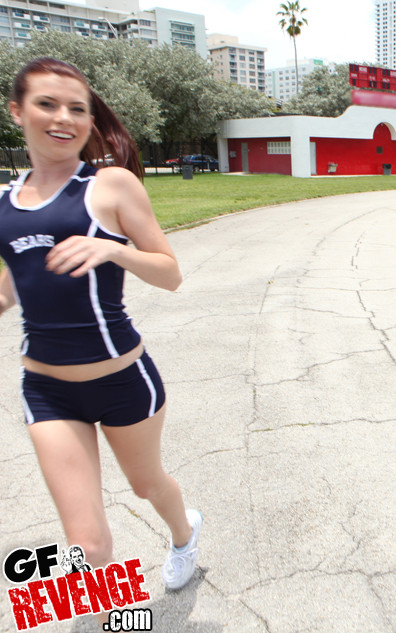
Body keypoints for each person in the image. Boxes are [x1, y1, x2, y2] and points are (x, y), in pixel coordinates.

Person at [0, 57, 202, 595]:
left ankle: (184, 535)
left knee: (145, 486)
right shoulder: (3, 205)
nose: (62, 117)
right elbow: (11, 287)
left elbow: (171, 273)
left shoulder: (109, 186)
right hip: (45, 390)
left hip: (122, 381)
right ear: (16, 111)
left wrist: (110, 249)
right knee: (86, 549)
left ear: (90, 122)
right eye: (46, 104)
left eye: (77, 108)